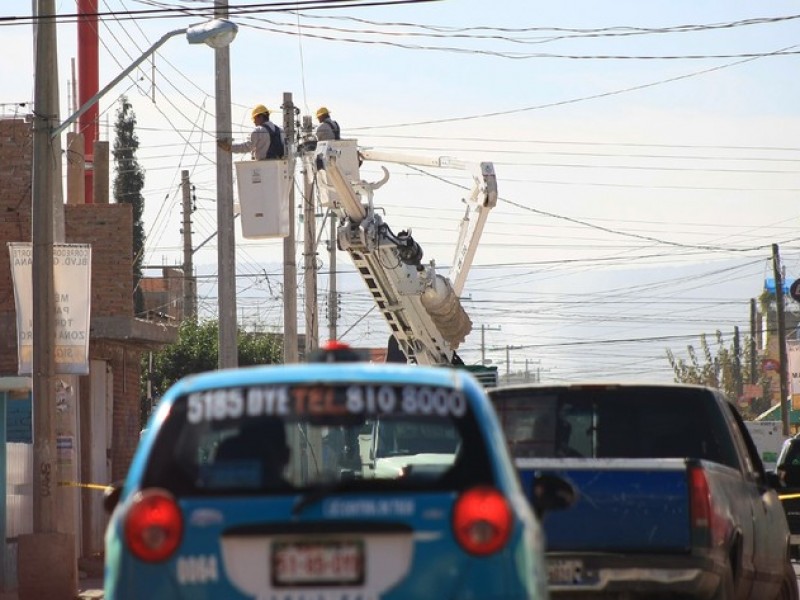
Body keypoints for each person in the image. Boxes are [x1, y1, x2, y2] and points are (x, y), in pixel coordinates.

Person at [218, 104, 285, 160]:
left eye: (254, 118)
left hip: (263, 168)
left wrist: (229, 147)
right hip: (278, 168)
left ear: (260, 117)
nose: (254, 121)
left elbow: (247, 147)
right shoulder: (280, 131)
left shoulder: (258, 131)